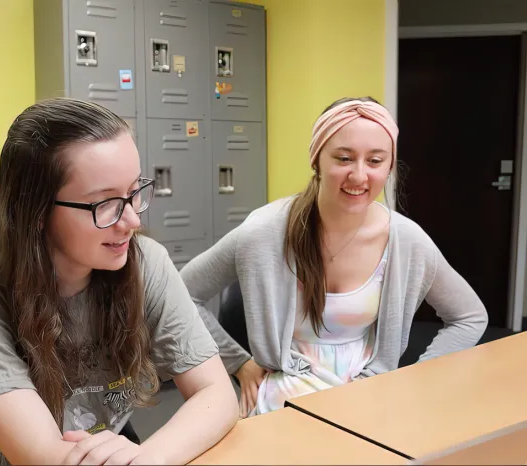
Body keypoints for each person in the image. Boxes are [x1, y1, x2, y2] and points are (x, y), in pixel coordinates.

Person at [0, 97, 238, 465]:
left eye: (133, 193)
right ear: (35, 212)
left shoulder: (146, 264)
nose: (132, 222)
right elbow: (43, 457)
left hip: (104, 449)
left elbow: (218, 394)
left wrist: (150, 457)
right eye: (104, 204)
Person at [180, 97, 488, 419]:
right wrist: (237, 363)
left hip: (368, 397)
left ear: (389, 166)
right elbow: (182, 294)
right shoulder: (263, 232)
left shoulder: (406, 241)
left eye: (375, 161)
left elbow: (469, 317)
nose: (358, 176)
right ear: (317, 160)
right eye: (344, 158)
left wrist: (414, 379)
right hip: (284, 399)